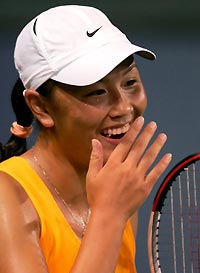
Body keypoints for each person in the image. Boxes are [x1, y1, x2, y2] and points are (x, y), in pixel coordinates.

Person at [0, 5, 172, 273]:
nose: (124, 108)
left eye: (130, 82)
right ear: (41, 107)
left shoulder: (115, 183)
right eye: (97, 92)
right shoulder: (5, 197)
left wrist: (111, 212)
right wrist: (110, 216)